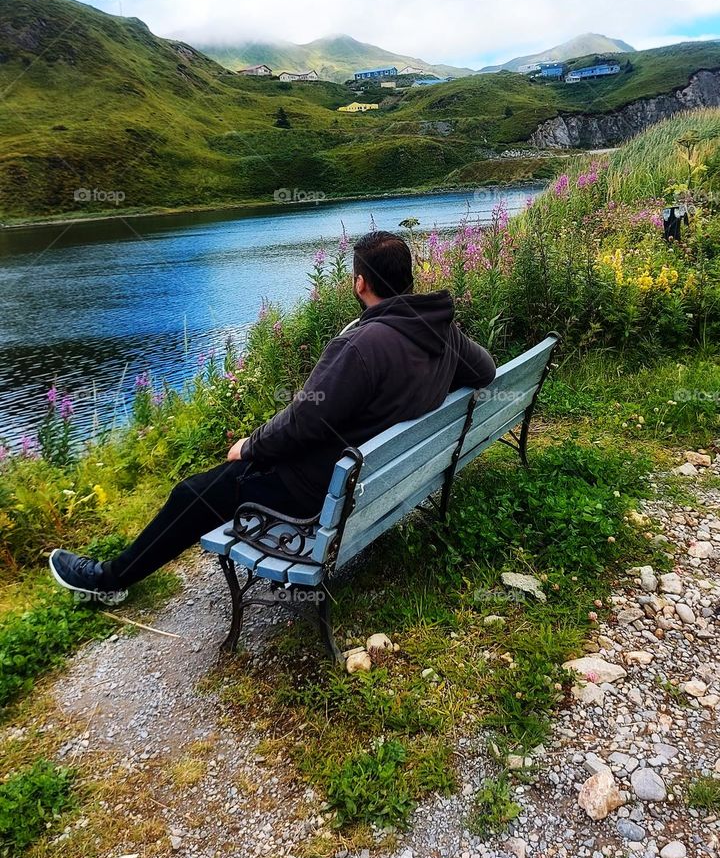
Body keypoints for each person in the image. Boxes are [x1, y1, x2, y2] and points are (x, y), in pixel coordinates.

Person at [49, 230, 496, 603]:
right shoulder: (438, 328)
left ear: (360, 283)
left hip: (317, 489)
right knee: (212, 486)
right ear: (408, 277)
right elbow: (485, 371)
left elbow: (304, 422)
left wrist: (251, 445)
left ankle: (108, 580)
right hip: (378, 474)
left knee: (191, 494)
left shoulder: (360, 346)